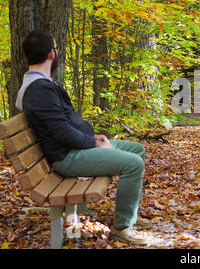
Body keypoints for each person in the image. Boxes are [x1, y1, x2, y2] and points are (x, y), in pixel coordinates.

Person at [16, 29, 156, 246]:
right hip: (68, 157)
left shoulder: (41, 82)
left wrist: (94, 137)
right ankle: (122, 227)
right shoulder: (39, 89)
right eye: (56, 47)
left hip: (77, 147)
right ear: (52, 54)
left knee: (137, 149)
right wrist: (93, 143)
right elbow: (62, 133)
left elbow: (65, 124)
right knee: (133, 164)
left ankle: (131, 214)